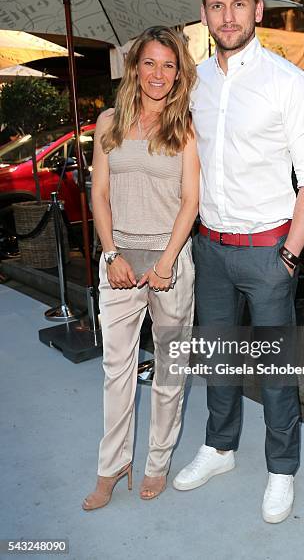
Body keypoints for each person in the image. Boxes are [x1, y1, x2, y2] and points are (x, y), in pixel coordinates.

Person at [172, 0, 304, 524]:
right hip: (208, 247)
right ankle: (219, 448)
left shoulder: (290, 83)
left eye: (239, 3)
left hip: (269, 251)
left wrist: (290, 255)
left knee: (274, 372)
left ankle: (281, 469)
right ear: (206, 14)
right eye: (217, 6)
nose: (228, 15)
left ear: (258, 9)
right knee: (217, 360)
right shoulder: (196, 85)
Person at [83, 26, 199, 510]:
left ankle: (156, 463)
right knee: (117, 371)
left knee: (171, 369)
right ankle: (112, 467)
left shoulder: (185, 127)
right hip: (121, 261)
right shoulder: (109, 121)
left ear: (178, 73)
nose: (159, 74)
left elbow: (191, 200)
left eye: (168, 65)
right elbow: (100, 194)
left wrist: (168, 262)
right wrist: (111, 255)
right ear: (135, 68)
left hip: (170, 260)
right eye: (150, 63)